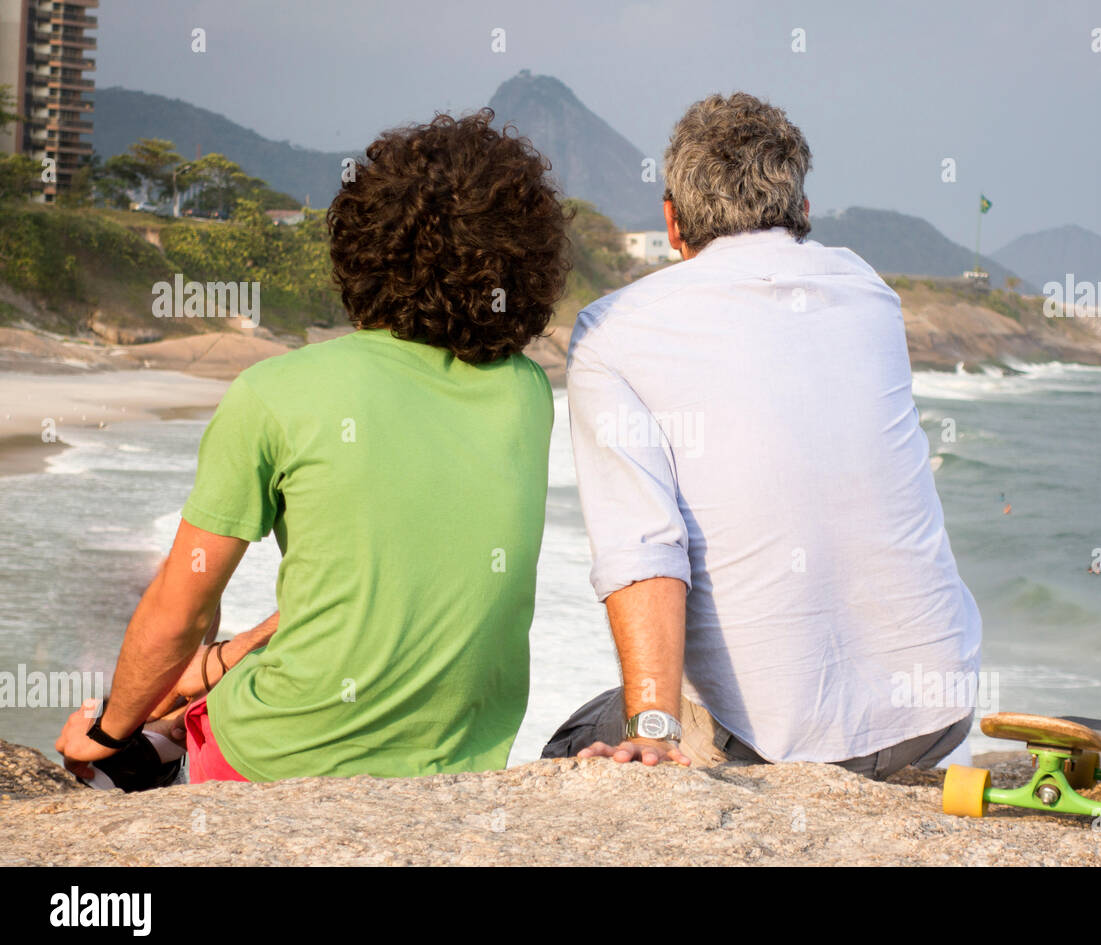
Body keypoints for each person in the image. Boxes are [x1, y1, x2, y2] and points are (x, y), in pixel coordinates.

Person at [56, 110, 569, 783]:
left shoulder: (276, 392)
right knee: (198, 688)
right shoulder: (528, 395)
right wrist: (223, 657)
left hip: (278, 763)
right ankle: (181, 721)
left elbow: (176, 612)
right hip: (458, 766)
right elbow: (392, 586)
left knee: (129, 734)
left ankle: (161, 743)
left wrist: (107, 730)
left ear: (362, 245)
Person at [543, 93, 982, 778]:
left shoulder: (613, 331)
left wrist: (653, 735)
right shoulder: (867, 291)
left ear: (671, 218)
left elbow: (644, 552)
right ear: (802, 212)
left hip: (772, 740)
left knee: (576, 742)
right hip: (934, 717)